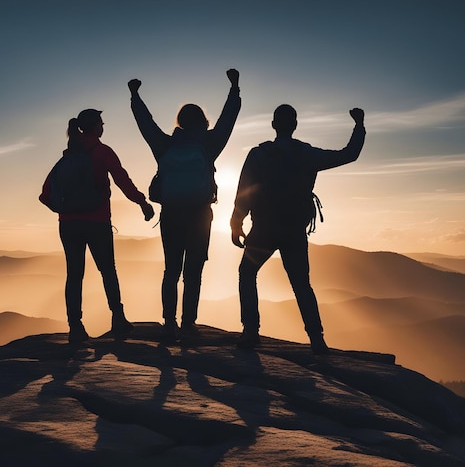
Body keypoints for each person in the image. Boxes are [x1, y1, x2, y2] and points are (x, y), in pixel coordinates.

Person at [230, 104, 366, 353]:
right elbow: (348, 154)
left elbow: (245, 190)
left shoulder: (259, 154)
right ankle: (317, 339)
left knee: (247, 273)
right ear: (294, 125)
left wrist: (236, 222)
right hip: (293, 229)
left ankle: (250, 332)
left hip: (263, 228)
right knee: (301, 284)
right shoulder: (306, 154)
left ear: (273, 125)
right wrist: (359, 126)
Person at [128, 69, 241, 340]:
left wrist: (135, 96)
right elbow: (228, 120)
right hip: (200, 214)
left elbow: (146, 123)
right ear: (203, 121)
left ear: (179, 122)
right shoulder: (210, 143)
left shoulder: (164, 144)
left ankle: (169, 322)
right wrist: (234, 88)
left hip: (171, 214)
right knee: (194, 271)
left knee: (171, 269)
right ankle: (188, 324)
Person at [40, 108, 155, 343]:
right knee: (108, 270)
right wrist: (142, 202)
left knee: (74, 275)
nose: (103, 126)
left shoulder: (68, 156)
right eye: (102, 123)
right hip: (97, 222)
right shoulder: (102, 152)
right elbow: (122, 180)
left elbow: (45, 194)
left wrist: (64, 210)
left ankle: (75, 327)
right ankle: (118, 318)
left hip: (69, 225)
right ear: (96, 127)